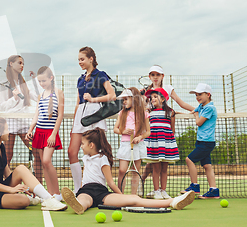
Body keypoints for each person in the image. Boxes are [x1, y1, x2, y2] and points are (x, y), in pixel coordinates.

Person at [61, 128, 195, 215]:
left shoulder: (103, 159)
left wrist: (121, 196)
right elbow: (85, 179)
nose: (81, 146)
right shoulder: (85, 158)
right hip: (86, 190)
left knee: (134, 199)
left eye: (83, 144)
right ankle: (78, 205)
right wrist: (79, 191)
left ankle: (173, 201)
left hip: (102, 193)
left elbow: (111, 183)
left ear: (91, 145)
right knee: (83, 201)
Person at [0, 117, 67, 211]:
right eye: (6, 129)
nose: (8, 131)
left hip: (2, 187)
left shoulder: (1, 147)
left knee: (21, 168)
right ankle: (34, 199)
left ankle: (48, 199)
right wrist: (11, 190)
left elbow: (8, 174)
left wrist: (25, 188)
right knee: (24, 201)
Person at [141, 65, 195, 198]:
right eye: (152, 75)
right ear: (149, 76)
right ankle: (148, 186)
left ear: (162, 76)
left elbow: (179, 106)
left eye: (157, 74)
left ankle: (160, 190)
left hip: (164, 137)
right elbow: (143, 109)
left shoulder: (168, 89)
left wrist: (196, 110)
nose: (155, 77)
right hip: (152, 136)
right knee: (152, 164)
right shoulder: (146, 93)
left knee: (161, 165)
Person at [68, 46, 116, 194]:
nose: (80, 62)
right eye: (78, 60)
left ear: (91, 59)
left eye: (82, 59)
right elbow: (78, 102)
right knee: (72, 152)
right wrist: (74, 124)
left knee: (97, 152)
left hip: (95, 114)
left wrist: (94, 99)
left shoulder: (101, 75)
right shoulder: (80, 79)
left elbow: (112, 95)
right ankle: (78, 189)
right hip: (80, 117)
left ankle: (99, 185)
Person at [0, 55, 43, 182]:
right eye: (20, 63)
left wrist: (34, 81)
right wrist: (14, 99)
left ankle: (38, 189)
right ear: (11, 64)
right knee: (7, 156)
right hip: (10, 121)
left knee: (37, 154)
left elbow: (38, 96)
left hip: (24, 121)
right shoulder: (3, 83)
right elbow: (2, 106)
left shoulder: (23, 83)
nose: (22, 65)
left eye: (23, 63)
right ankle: (5, 185)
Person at [26, 66, 64, 201]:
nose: (42, 84)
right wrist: (31, 129)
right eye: (40, 82)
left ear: (51, 78)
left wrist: (54, 134)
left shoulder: (59, 93)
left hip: (50, 133)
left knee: (47, 161)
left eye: (44, 81)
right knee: (43, 163)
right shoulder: (40, 95)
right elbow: (37, 114)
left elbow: (60, 116)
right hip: (39, 131)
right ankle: (49, 195)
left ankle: (57, 193)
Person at [181, 83, 219, 199]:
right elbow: (192, 112)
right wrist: (176, 114)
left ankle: (194, 186)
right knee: (207, 166)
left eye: (200, 94)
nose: (197, 97)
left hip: (206, 142)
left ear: (208, 94)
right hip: (201, 141)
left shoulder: (209, 108)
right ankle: (214, 190)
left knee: (189, 159)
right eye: (196, 95)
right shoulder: (201, 106)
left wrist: (196, 114)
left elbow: (199, 122)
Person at [143, 88, 179, 200]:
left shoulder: (170, 112)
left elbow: (172, 129)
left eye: (155, 97)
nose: (152, 99)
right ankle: (157, 191)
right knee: (156, 168)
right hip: (154, 143)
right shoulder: (149, 112)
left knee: (164, 168)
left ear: (163, 99)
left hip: (166, 143)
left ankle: (163, 191)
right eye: (151, 97)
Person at [113, 87, 150, 194]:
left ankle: (133, 196)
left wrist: (140, 137)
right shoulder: (122, 113)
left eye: (126, 99)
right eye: (123, 100)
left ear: (134, 99)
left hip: (137, 146)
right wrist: (123, 131)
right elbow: (115, 129)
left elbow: (148, 132)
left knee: (135, 171)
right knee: (122, 171)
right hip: (125, 145)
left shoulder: (144, 113)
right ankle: (120, 195)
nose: (124, 102)